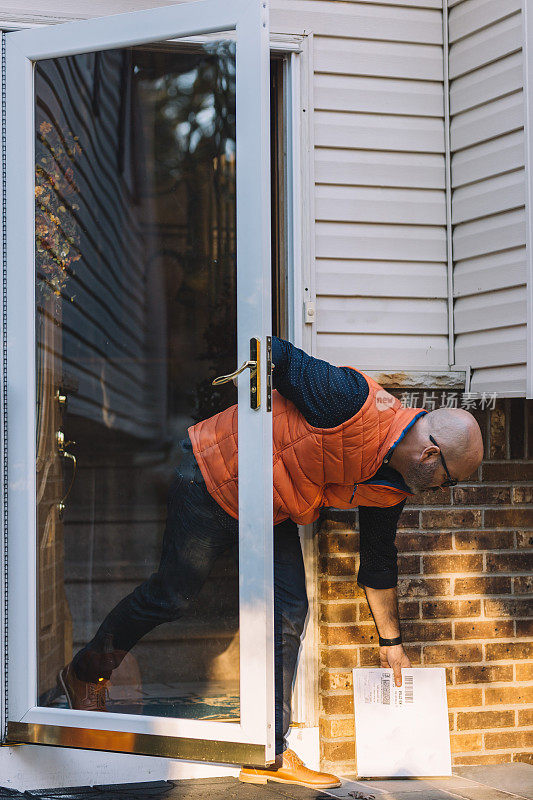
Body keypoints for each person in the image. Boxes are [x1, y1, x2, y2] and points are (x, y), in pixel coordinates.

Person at [58, 337, 484, 790]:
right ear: (431, 456)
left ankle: (269, 752)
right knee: (172, 596)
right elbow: (271, 350)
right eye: (448, 482)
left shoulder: (393, 485)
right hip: (214, 473)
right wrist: (245, 416)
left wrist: (391, 642)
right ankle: (85, 672)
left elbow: (378, 562)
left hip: (273, 502)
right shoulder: (348, 398)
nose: (442, 491)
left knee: (289, 611)